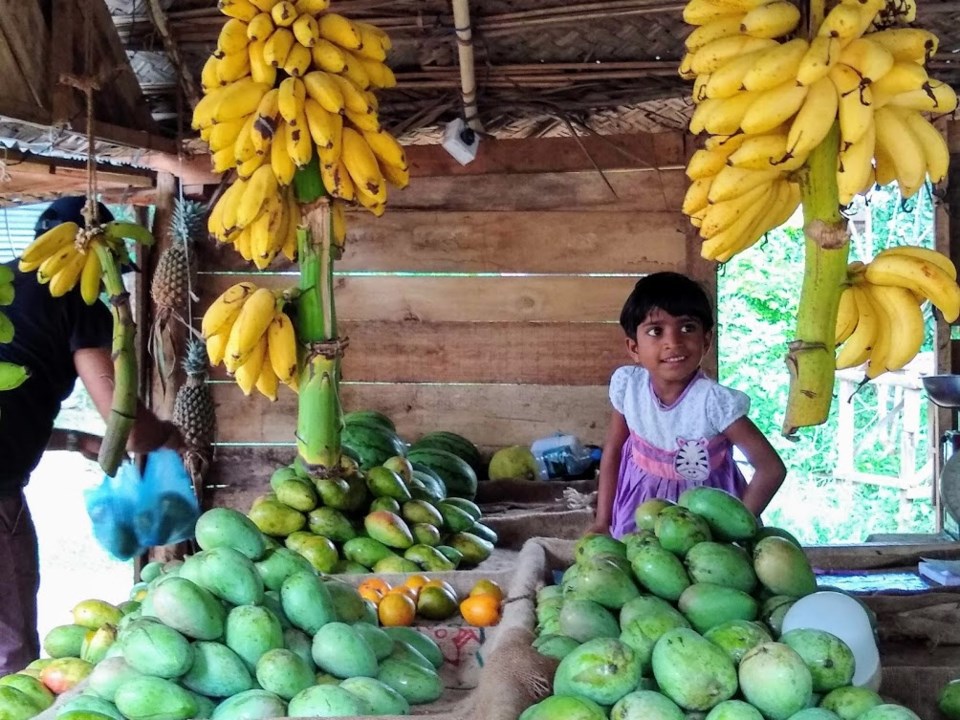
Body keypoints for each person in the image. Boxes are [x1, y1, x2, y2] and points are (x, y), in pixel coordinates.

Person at [0, 196, 182, 675]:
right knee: (10, 653)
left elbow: (14, 401)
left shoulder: (4, 286)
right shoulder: (77, 302)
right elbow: (130, 426)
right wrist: (168, 434)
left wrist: (76, 441)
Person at [587, 272, 786, 539]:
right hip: (640, 508)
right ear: (634, 347)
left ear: (706, 341)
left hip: (706, 521)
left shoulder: (714, 402)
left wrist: (734, 534)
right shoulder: (629, 387)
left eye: (687, 328)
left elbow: (771, 469)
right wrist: (603, 521)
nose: (673, 342)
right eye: (656, 331)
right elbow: (613, 449)